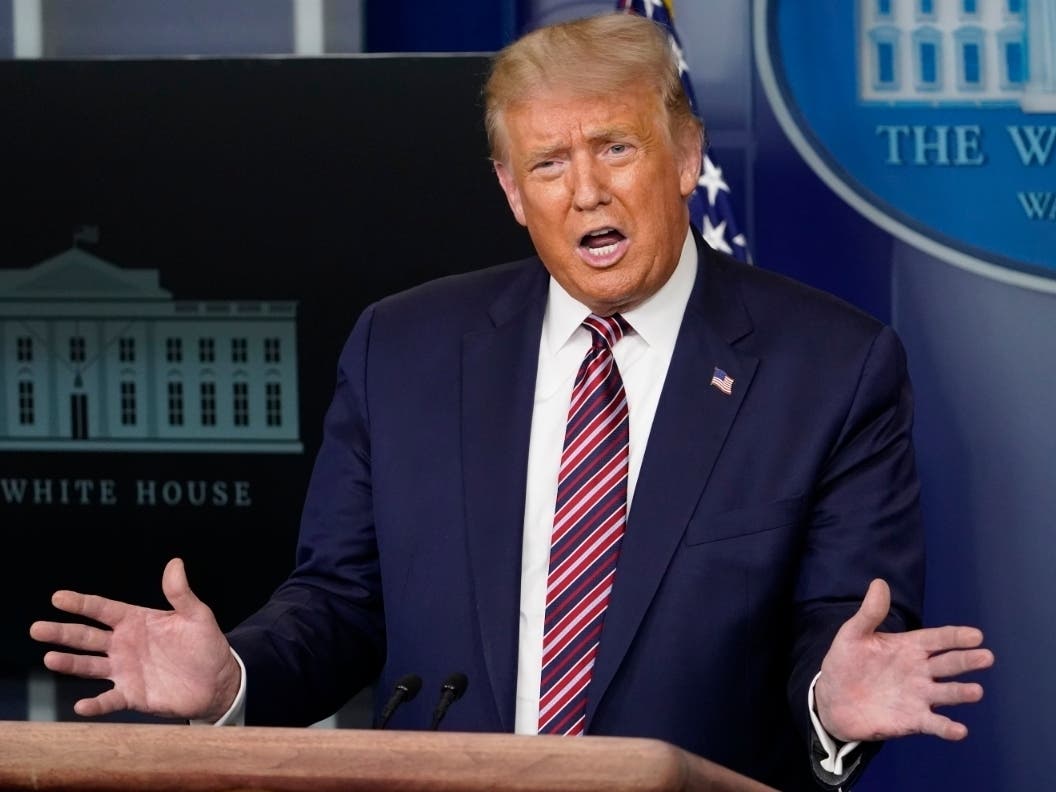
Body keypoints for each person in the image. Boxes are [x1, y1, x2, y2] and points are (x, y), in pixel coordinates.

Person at [29, 13, 993, 791]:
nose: (585, 192)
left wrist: (833, 698)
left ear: (686, 152)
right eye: (548, 164)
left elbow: (836, 627)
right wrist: (233, 679)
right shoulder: (402, 348)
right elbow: (338, 603)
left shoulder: (832, 366)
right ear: (509, 190)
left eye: (616, 147)